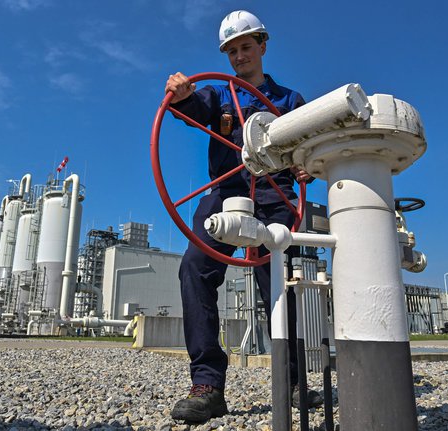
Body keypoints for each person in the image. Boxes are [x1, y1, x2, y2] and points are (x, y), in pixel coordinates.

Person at [165, 10, 322, 423]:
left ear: (263, 46)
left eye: (246, 47)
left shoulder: (289, 102)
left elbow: (305, 152)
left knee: (279, 283)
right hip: (227, 194)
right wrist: (181, 94)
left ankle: (291, 383)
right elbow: (193, 108)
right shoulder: (218, 96)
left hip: (275, 197)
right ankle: (208, 385)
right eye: (231, 51)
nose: (239, 56)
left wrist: (308, 166)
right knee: (195, 268)